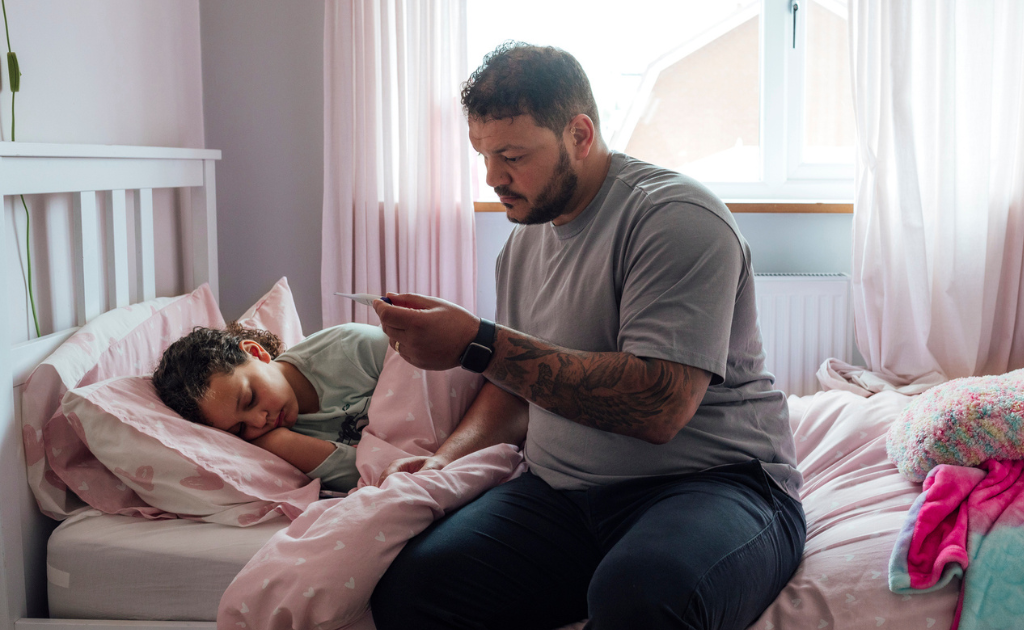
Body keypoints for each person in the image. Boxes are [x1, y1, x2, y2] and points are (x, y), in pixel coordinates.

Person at [368, 42, 806, 630]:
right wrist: (440, 463)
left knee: (644, 599)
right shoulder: (523, 242)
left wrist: (477, 342)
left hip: (712, 484)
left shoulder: (675, 218)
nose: (494, 177)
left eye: (512, 156)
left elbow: (659, 405)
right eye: (484, 155)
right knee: (411, 587)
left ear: (579, 134)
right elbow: (517, 386)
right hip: (562, 496)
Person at [152, 322, 389, 493]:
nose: (258, 421)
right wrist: (280, 443)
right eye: (239, 429)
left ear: (255, 353)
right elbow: (376, 476)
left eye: (250, 399)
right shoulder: (272, 443)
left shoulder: (353, 348)